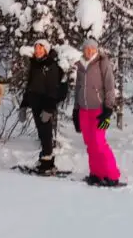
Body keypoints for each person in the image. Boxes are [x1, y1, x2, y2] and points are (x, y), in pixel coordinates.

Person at [73, 38, 122, 187]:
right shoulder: (80, 65)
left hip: (98, 110)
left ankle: (112, 175)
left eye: (92, 48)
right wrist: (76, 110)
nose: (89, 51)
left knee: (99, 143)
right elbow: (78, 88)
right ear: (83, 50)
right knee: (90, 144)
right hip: (83, 110)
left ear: (96, 49)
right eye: (87, 48)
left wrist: (108, 109)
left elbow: (109, 86)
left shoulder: (102, 62)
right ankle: (96, 173)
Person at [20, 39, 68, 175]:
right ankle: (45, 160)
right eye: (36, 48)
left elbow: (53, 90)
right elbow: (30, 87)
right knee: (42, 133)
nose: (37, 51)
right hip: (35, 103)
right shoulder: (35, 64)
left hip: (46, 104)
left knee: (46, 133)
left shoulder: (51, 66)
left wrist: (49, 109)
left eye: (41, 48)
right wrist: (24, 105)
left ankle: (47, 163)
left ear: (46, 50)